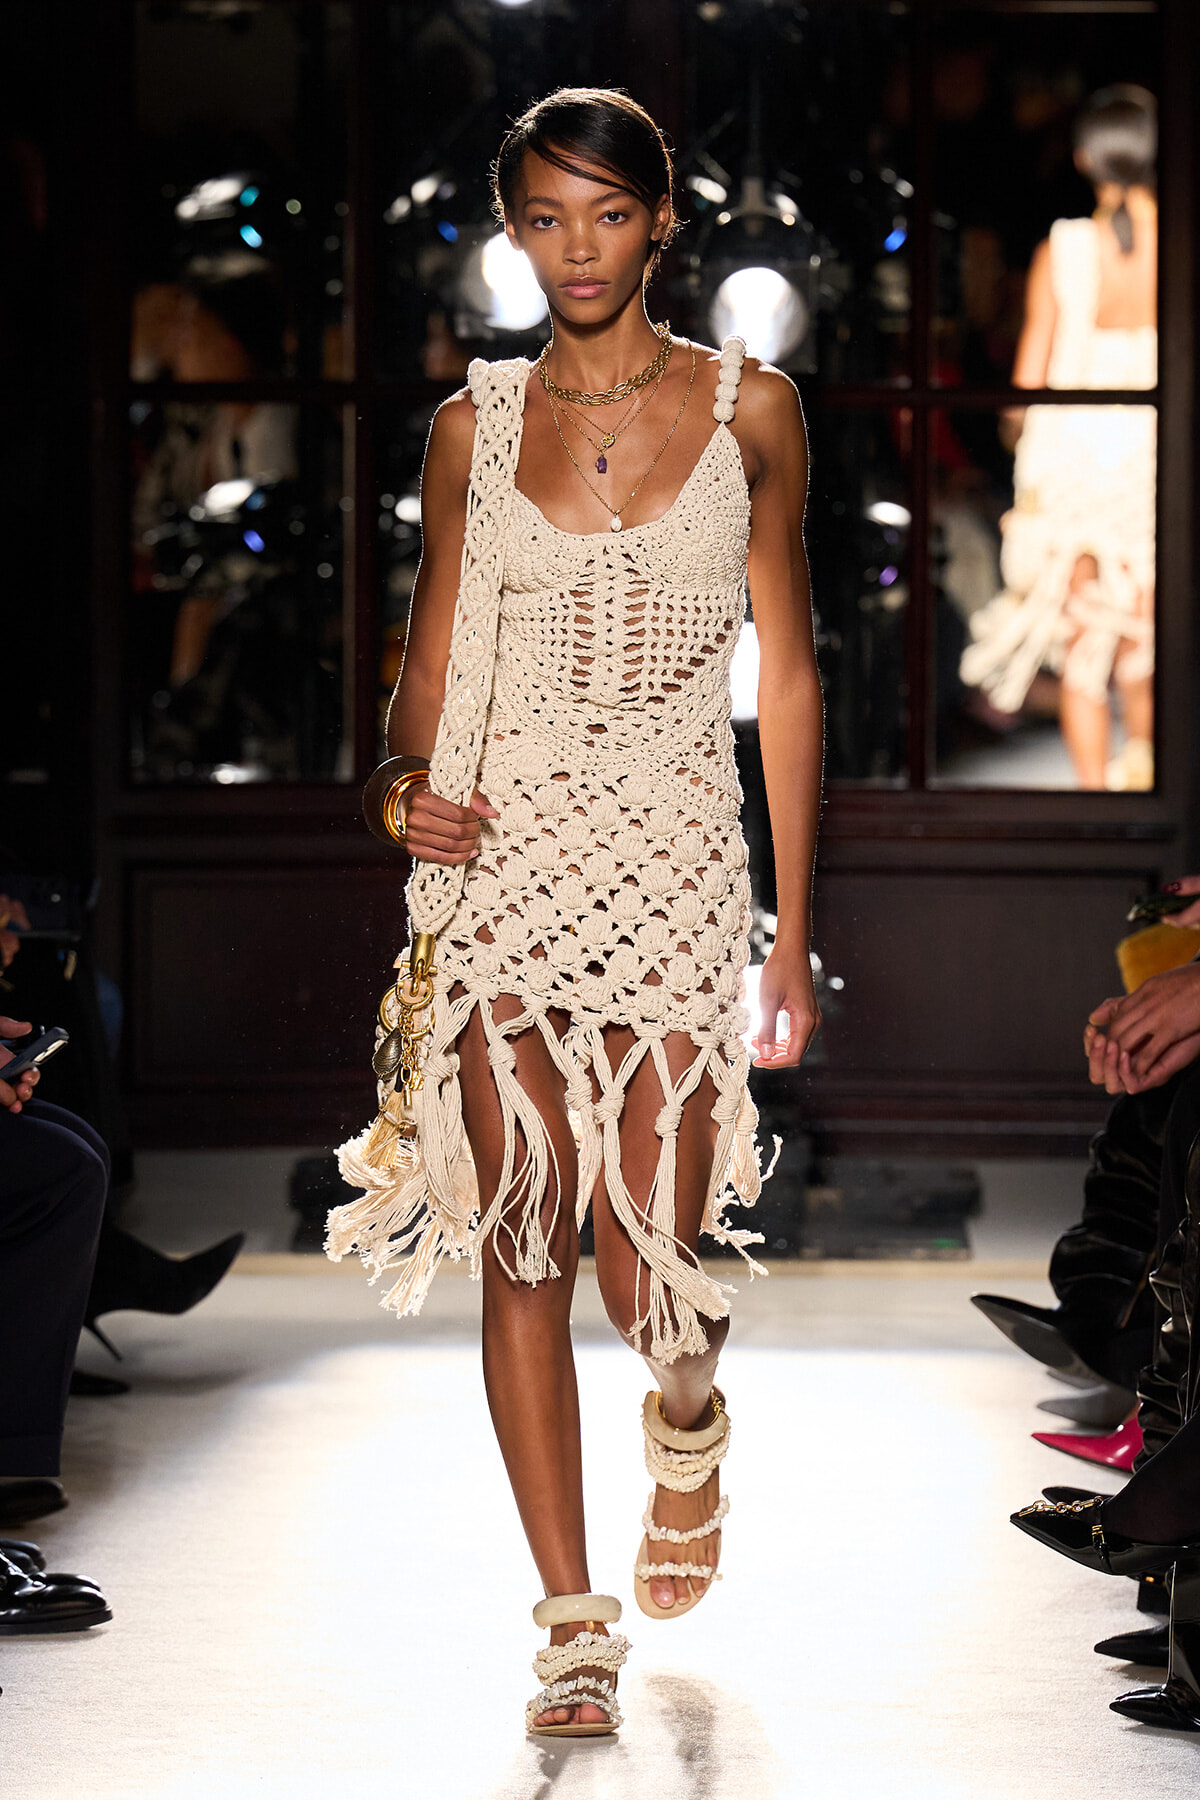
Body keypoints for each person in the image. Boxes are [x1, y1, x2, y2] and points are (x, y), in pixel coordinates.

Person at [327, 87, 823, 1737]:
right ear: (514, 231)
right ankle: (570, 1627)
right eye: (546, 218)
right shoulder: (474, 427)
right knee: (526, 1237)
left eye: (608, 213)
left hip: (677, 870)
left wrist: (789, 930)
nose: (579, 248)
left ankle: (686, 1419)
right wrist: (403, 796)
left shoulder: (755, 412)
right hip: (507, 871)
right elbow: (424, 679)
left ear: (661, 221)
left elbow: (791, 680)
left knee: (649, 1271)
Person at [960, 86, 1158, 791]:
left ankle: (1097, 804)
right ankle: (1146, 791)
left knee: (1085, 641)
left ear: (1084, 159)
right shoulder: (1177, 244)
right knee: (1144, 635)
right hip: (1152, 455)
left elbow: (1029, 380)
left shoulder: (1066, 247)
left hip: (1075, 460)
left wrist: (1013, 441)